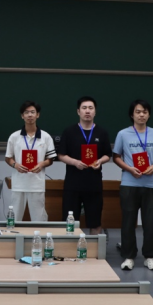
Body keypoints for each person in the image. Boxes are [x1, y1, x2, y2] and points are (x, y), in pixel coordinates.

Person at [112, 99, 153, 271]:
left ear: (149, 115)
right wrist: (129, 169)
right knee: (128, 222)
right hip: (129, 183)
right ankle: (128, 257)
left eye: (144, 112)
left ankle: (149, 257)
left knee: (150, 223)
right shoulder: (123, 134)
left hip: (151, 184)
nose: (141, 115)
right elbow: (116, 157)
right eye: (138, 111)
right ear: (132, 114)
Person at [57, 96, 113, 235]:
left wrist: (100, 161)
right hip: (73, 184)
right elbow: (61, 155)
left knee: (95, 221)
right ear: (78, 111)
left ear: (95, 112)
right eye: (84, 108)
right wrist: (75, 162)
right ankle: (70, 247)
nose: (87, 111)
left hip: (93, 184)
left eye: (90, 108)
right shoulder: (69, 132)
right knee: (70, 221)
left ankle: (94, 249)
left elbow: (108, 154)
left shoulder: (102, 132)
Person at [4, 101, 56, 221]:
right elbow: (8, 158)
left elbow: (50, 159)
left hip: (37, 183)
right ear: (22, 116)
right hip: (18, 183)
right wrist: (15, 165)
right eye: (26, 112)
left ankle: (39, 234)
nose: (30, 115)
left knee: (39, 218)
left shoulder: (46, 137)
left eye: (33, 112)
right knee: (15, 216)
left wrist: (42, 164)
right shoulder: (14, 136)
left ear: (38, 115)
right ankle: (12, 234)